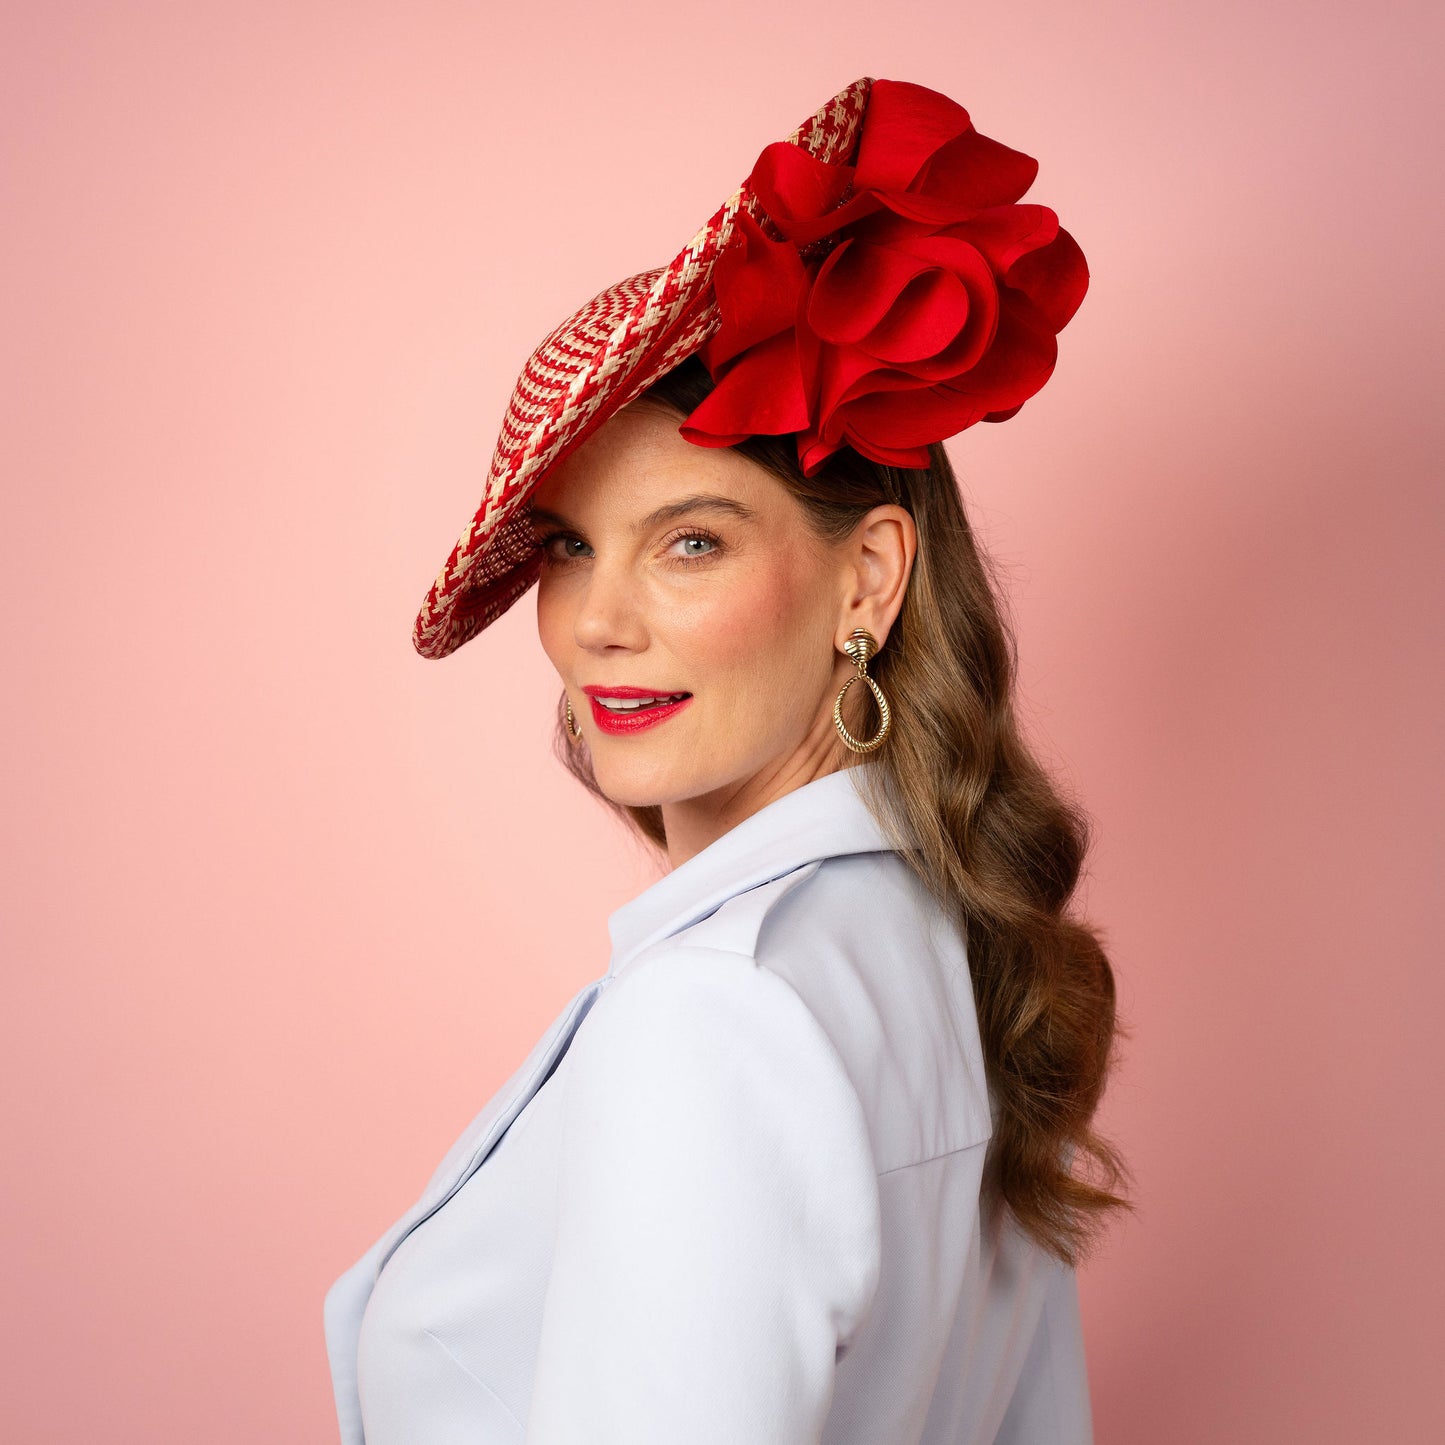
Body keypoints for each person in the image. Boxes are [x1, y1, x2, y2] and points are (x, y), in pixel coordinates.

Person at [324, 74, 1131, 1445]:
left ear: (865, 577)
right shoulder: (954, 948)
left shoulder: (716, 1015)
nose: (597, 622)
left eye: (689, 539)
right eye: (570, 547)